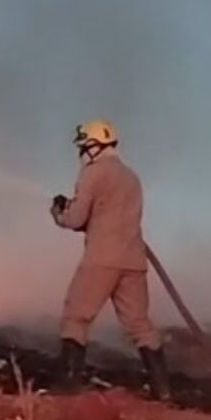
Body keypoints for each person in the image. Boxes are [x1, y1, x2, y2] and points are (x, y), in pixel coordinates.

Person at [50, 119, 171, 399]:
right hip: (134, 261)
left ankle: (68, 387)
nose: (81, 154)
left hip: (102, 259)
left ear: (95, 146)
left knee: (76, 317)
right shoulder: (132, 177)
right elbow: (108, 215)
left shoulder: (93, 173)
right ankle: (163, 391)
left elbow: (76, 218)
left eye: (83, 147)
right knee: (139, 324)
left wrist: (59, 211)